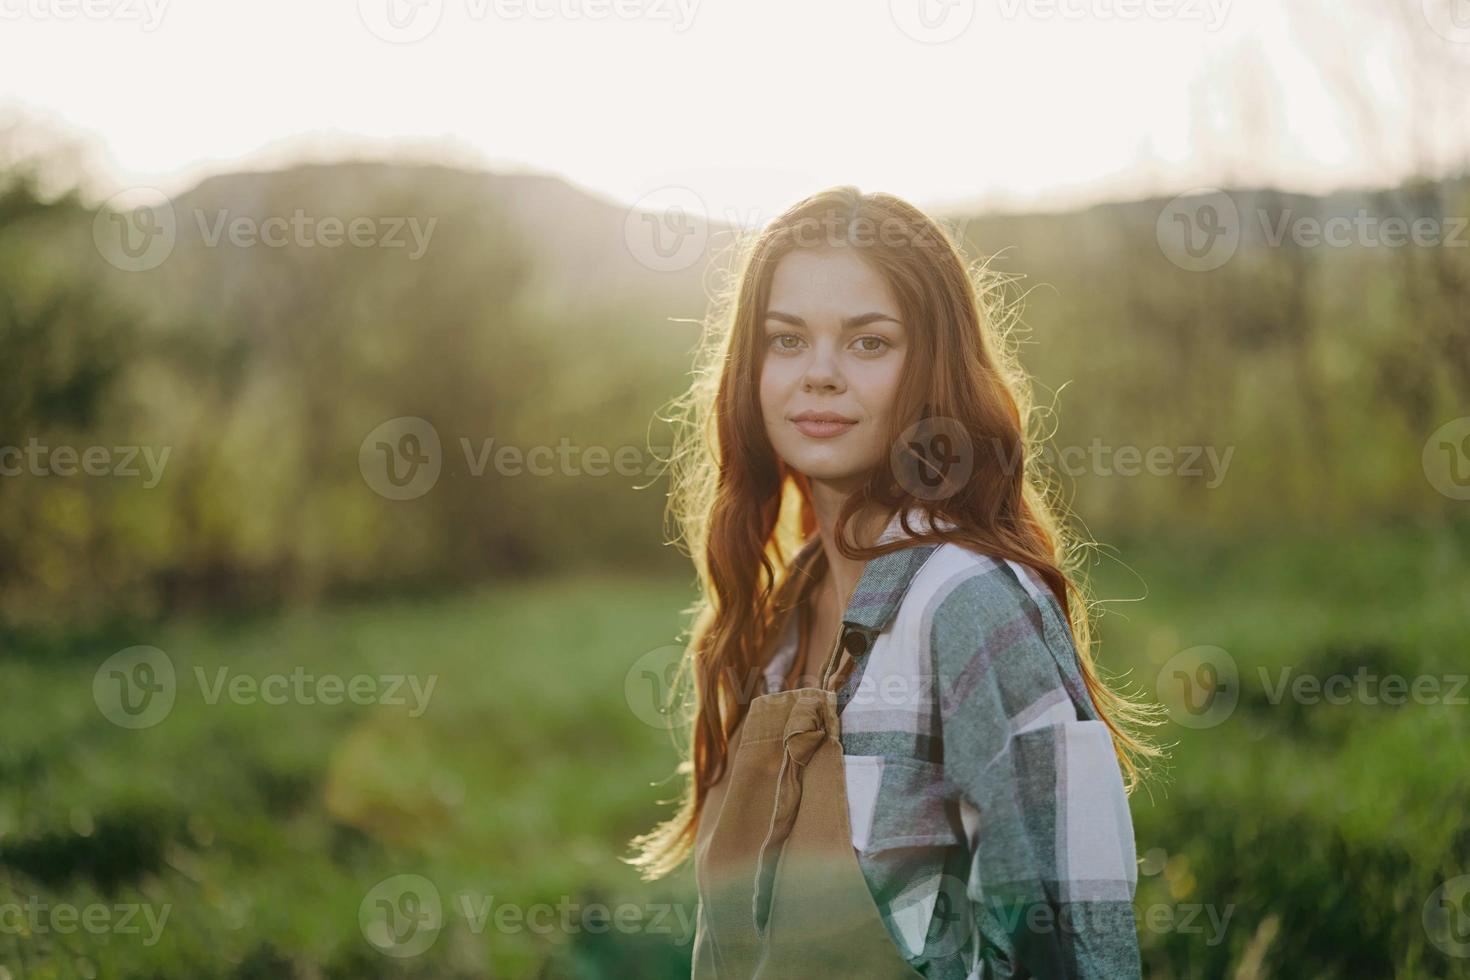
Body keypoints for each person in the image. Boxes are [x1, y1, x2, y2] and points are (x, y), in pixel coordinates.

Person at [625, 186, 1162, 978]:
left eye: (869, 343)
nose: (821, 375)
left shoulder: (971, 605)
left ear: (933, 370)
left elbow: (1074, 951)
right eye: (786, 340)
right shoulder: (776, 623)